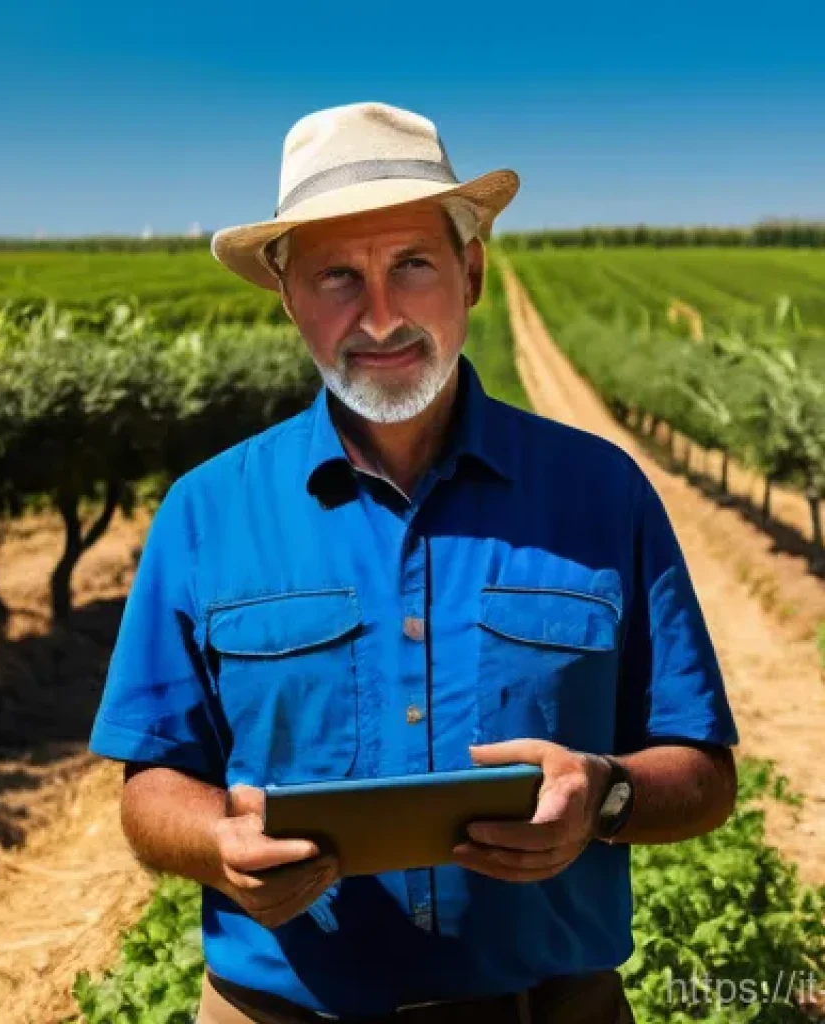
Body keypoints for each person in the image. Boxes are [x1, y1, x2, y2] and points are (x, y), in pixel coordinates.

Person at [88, 101, 739, 1024]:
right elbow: (150, 784)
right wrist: (214, 841)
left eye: (414, 265)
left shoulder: (604, 493)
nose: (381, 315)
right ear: (288, 296)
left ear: (471, 272)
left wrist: (607, 795)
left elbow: (703, 770)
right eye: (338, 277)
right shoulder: (206, 511)